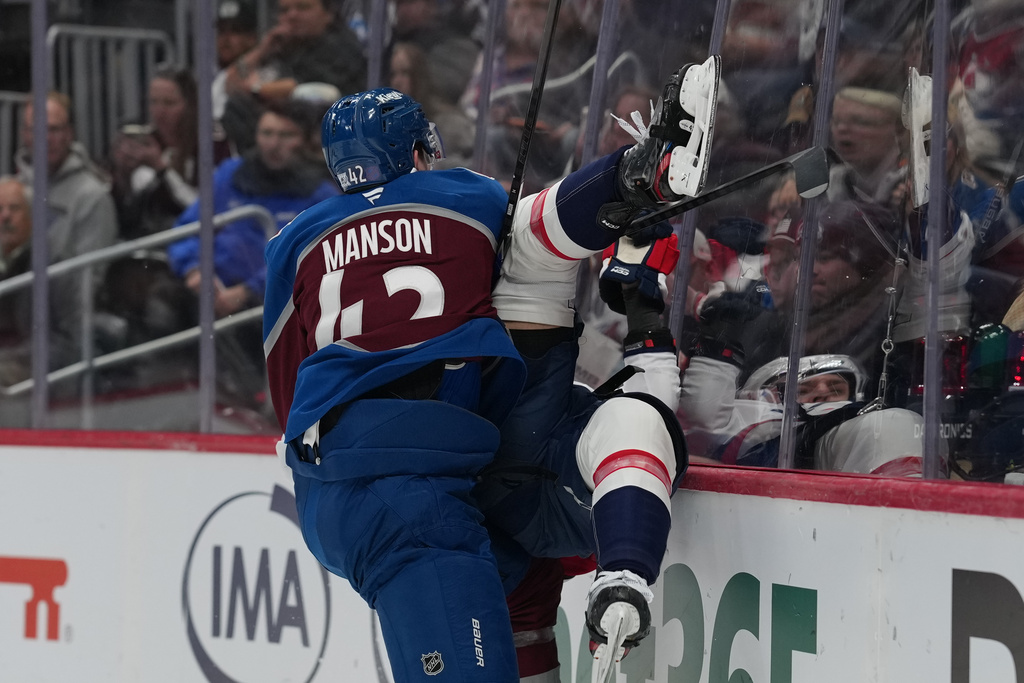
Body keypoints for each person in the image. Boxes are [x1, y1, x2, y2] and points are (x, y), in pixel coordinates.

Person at [264, 58, 718, 682]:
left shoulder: (293, 239)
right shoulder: (467, 196)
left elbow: (286, 392)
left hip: (353, 478)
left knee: (518, 595)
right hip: (412, 490)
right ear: (422, 152)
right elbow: (549, 222)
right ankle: (623, 573)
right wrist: (638, 173)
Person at [678, 348, 930, 476]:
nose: (822, 392)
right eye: (804, 388)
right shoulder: (744, 435)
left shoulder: (878, 425)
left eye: (836, 387)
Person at [222, 0, 366, 155]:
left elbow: (297, 88)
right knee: (236, 107)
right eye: (284, 10)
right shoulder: (283, 43)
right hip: (283, 126)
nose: (292, 15)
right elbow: (230, 85)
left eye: (303, 8)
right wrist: (262, 49)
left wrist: (255, 88)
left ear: (328, 14)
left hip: (329, 137)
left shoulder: (340, 45)